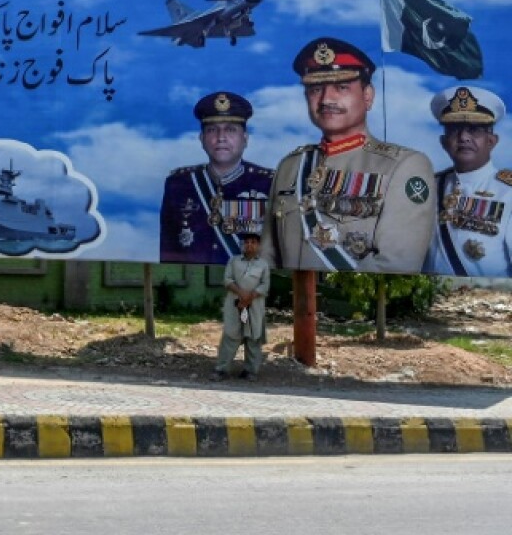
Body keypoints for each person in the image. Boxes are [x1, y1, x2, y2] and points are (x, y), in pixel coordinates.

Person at [262, 37, 435, 273]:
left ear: (368, 96)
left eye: (341, 87)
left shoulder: (404, 166)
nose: (326, 99)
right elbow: (267, 257)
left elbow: (397, 264)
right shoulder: (290, 166)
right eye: (315, 89)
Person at [159, 91, 273, 264]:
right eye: (212, 130)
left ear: (245, 139)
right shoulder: (179, 184)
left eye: (230, 130)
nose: (221, 138)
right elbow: (168, 250)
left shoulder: (268, 183)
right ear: (202, 138)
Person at [425, 86, 512, 278]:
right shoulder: (430, 187)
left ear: (492, 140)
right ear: (443, 141)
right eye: (454, 129)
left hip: (489, 301)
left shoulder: (508, 193)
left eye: (474, 130)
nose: (463, 137)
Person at [212, 231, 269, 380]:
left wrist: (251, 296)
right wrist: (241, 293)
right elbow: (227, 280)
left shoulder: (263, 265)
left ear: (258, 246)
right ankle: (221, 370)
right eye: (247, 242)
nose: (249, 245)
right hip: (234, 305)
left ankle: (251, 371)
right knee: (231, 335)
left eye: (253, 242)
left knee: (253, 337)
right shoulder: (234, 261)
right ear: (243, 245)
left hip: (254, 306)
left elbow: (265, 285)